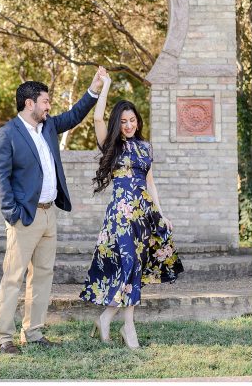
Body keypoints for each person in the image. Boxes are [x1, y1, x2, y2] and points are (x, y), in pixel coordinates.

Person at [0, 68, 106, 355]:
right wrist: (12, 213)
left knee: (43, 275)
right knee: (14, 277)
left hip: (48, 214)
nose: (49, 106)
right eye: (45, 101)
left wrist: (94, 89)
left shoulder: (49, 127)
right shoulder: (8, 134)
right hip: (24, 218)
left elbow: (75, 114)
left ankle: (34, 331)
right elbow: (0, 178)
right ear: (29, 104)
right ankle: (4, 337)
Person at [80, 76, 183, 348]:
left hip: (144, 216)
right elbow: (98, 118)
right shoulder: (113, 145)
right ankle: (127, 327)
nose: (128, 125)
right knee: (127, 266)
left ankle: (109, 320)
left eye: (132, 120)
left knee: (134, 268)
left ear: (138, 120)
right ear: (118, 123)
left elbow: (150, 183)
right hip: (120, 216)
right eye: (123, 121)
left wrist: (161, 213)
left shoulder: (146, 147)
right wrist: (106, 85)